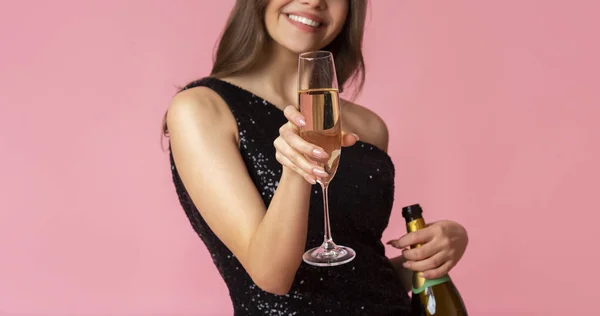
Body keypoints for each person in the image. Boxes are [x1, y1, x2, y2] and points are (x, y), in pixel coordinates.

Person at [163, 0, 469, 315]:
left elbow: (358, 277)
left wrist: (432, 254)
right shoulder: (201, 109)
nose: (314, 1)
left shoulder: (369, 127)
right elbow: (271, 276)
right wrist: (297, 166)